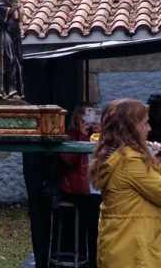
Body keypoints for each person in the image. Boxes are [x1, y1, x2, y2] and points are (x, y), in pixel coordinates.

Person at [89, 98, 161, 267]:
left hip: (123, 246)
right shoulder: (129, 161)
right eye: (145, 123)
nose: (149, 129)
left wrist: (154, 158)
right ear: (131, 127)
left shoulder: (118, 155)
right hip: (134, 251)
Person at [58, 102, 101, 268]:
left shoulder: (101, 135)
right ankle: (90, 259)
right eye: (83, 114)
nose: (87, 118)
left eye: (91, 114)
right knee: (93, 210)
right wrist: (82, 136)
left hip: (98, 187)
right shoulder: (69, 135)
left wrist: (101, 134)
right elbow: (68, 160)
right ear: (76, 118)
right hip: (78, 190)